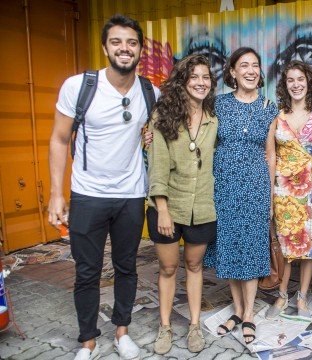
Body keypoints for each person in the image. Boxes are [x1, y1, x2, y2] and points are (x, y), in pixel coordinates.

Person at [48, 14, 160, 360]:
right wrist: (56, 193)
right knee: (87, 270)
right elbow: (59, 139)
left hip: (129, 194)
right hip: (88, 194)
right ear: (105, 47)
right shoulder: (79, 86)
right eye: (116, 42)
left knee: (127, 266)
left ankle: (122, 332)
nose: (124, 49)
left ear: (140, 49)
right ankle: (88, 341)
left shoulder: (149, 91)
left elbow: (153, 134)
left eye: (131, 42)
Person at [201, 47, 279, 345]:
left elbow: (270, 155)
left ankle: (247, 315)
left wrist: (270, 196)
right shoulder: (218, 104)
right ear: (232, 72)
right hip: (223, 186)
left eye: (255, 66)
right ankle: (238, 308)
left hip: (255, 187)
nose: (250, 71)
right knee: (230, 247)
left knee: (252, 249)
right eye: (243, 65)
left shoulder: (268, 107)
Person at [146, 54, 217, 354]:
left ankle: (194, 326)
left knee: (194, 265)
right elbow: (157, 165)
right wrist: (162, 208)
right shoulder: (162, 117)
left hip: (201, 206)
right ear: (183, 81)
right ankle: (165, 328)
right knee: (168, 267)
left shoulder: (214, 119)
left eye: (205, 77)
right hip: (167, 205)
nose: (201, 82)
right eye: (194, 77)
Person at [266, 60, 312, 319]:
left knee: (308, 244)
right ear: (285, 85)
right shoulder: (276, 116)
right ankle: (282, 294)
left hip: (310, 190)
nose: (296, 84)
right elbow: (269, 155)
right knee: (286, 244)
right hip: (283, 190)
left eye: (300, 79)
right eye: (290, 80)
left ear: (308, 82)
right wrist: (269, 194)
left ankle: (301, 297)